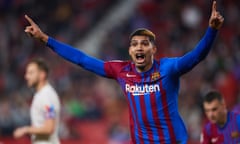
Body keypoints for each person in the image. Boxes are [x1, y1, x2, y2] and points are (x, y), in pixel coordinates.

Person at [23, 1, 224, 143]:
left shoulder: (168, 68)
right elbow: (82, 60)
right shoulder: (121, 71)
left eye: (144, 44)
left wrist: (212, 30)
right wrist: (46, 40)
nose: (139, 48)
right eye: (134, 44)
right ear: (129, 51)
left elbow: (197, 56)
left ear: (153, 50)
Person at [13, 58, 61, 144]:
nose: (26, 76)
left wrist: (26, 129)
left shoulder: (47, 96)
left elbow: (49, 128)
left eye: (31, 73)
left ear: (42, 75)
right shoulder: (40, 95)